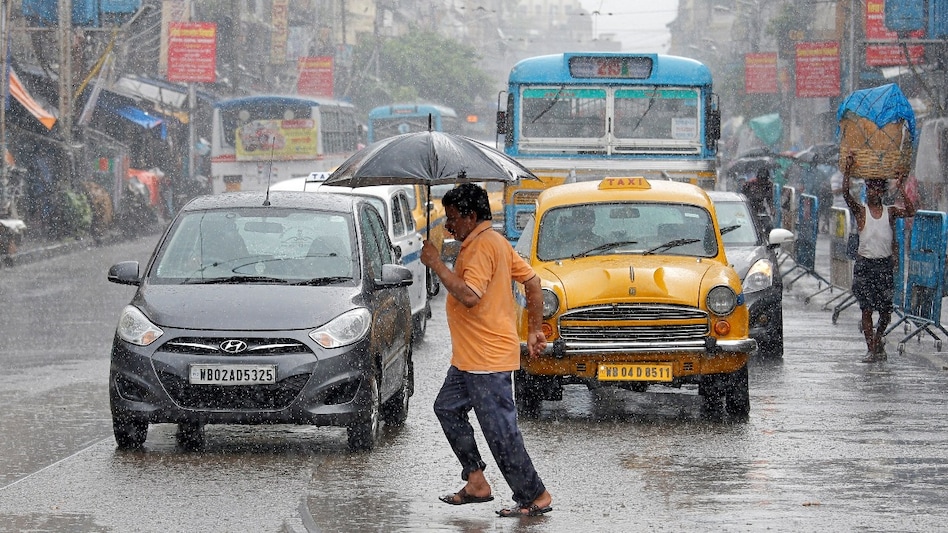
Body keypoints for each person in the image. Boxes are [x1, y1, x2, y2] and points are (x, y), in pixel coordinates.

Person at [420, 183, 554, 518]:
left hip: (486, 360)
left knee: (500, 431)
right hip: (468, 360)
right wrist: (534, 329)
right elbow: (533, 282)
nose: (448, 225)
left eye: (452, 218)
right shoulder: (492, 241)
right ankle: (477, 481)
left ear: (471, 215)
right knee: (447, 409)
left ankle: (534, 495)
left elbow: (469, 296)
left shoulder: (482, 247)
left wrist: (437, 264)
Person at [842, 153, 916, 363]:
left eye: (876, 188)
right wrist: (848, 169)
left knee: (885, 312)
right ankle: (870, 348)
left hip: (883, 266)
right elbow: (847, 194)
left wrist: (900, 186)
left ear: (882, 192)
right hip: (865, 265)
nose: (872, 192)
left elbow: (910, 211)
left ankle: (877, 338)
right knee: (866, 309)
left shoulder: (890, 212)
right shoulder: (861, 211)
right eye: (869, 188)